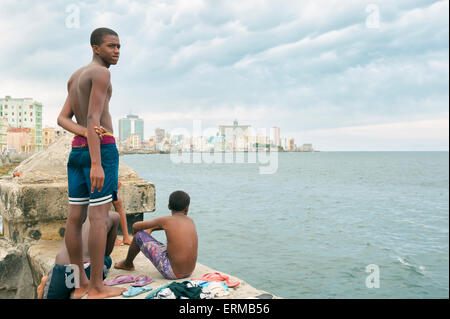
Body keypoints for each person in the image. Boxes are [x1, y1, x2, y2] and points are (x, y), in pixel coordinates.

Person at [56, 27, 125, 299]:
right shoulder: (101, 73)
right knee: (98, 218)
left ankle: (79, 283)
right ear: (96, 48)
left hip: (76, 152)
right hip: (101, 150)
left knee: (75, 219)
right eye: (111, 46)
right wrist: (97, 163)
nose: (117, 51)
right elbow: (94, 118)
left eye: (119, 46)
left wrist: (84, 133)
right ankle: (97, 287)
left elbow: (63, 119)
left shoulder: (75, 77)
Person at [36, 211, 121, 299]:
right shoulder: (113, 216)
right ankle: (94, 282)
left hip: (60, 270)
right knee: (107, 259)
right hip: (86, 269)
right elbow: (107, 252)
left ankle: (47, 280)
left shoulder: (76, 211)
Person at [114, 191, 198, 280]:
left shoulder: (166, 221)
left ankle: (127, 264)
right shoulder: (190, 221)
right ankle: (128, 263)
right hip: (189, 271)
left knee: (139, 235)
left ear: (169, 206)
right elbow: (172, 227)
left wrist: (148, 230)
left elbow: (136, 226)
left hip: (172, 273)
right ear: (187, 208)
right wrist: (152, 228)